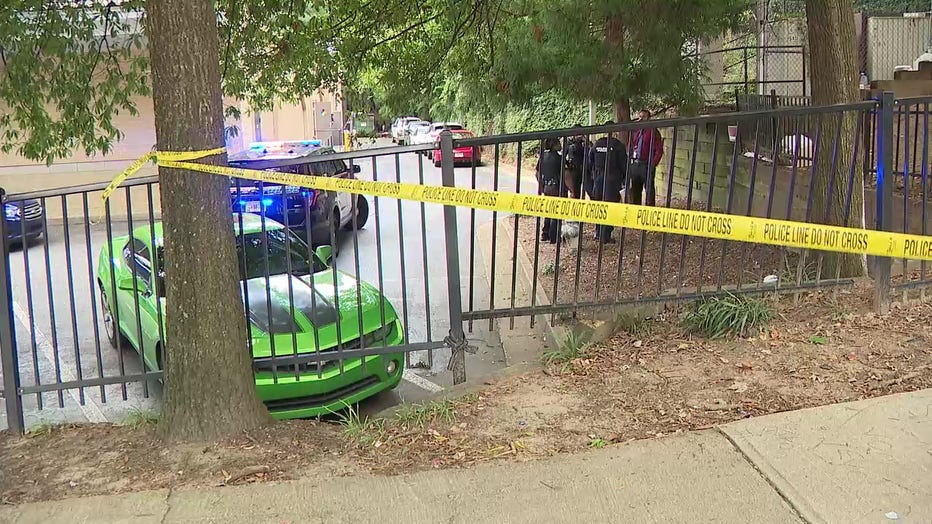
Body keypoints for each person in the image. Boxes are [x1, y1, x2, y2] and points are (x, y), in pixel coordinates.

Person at [587, 121, 627, 243]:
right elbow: (624, 165)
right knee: (610, 206)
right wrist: (624, 179)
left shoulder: (597, 144)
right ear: (614, 131)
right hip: (612, 179)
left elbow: (590, 161)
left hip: (598, 179)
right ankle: (606, 236)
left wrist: (594, 174)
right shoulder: (618, 145)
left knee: (599, 205)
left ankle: (598, 232)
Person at [627, 109, 664, 206]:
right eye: (640, 117)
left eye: (644, 117)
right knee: (635, 190)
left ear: (649, 118)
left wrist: (653, 164)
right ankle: (636, 211)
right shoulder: (637, 131)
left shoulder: (653, 131)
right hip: (636, 164)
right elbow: (632, 145)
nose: (641, 119)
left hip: (646, 164)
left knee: (649, 191)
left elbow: (659, 150)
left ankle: (649, 211)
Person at [536, 138, 564, 244]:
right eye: (558, 144)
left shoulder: (543, 157)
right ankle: (554, 237)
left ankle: (545, 233)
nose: (560, 145)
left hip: (547, 187)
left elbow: (537, 173)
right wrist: (571, 189)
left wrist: (541, 185)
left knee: (548, 210)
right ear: (554, 145)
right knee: (556, 212)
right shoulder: (559, 158)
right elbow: (566, 175)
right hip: (556, 188)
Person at [564, 125, 588, 199]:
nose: (579, 136)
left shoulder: (584, 142)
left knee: (588, 190)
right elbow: (563, 156)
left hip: (585, 169)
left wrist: (586, 142)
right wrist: (568, 165)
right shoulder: (569, 142)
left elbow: (590, 154)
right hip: (574, 169)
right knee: (575, 192)